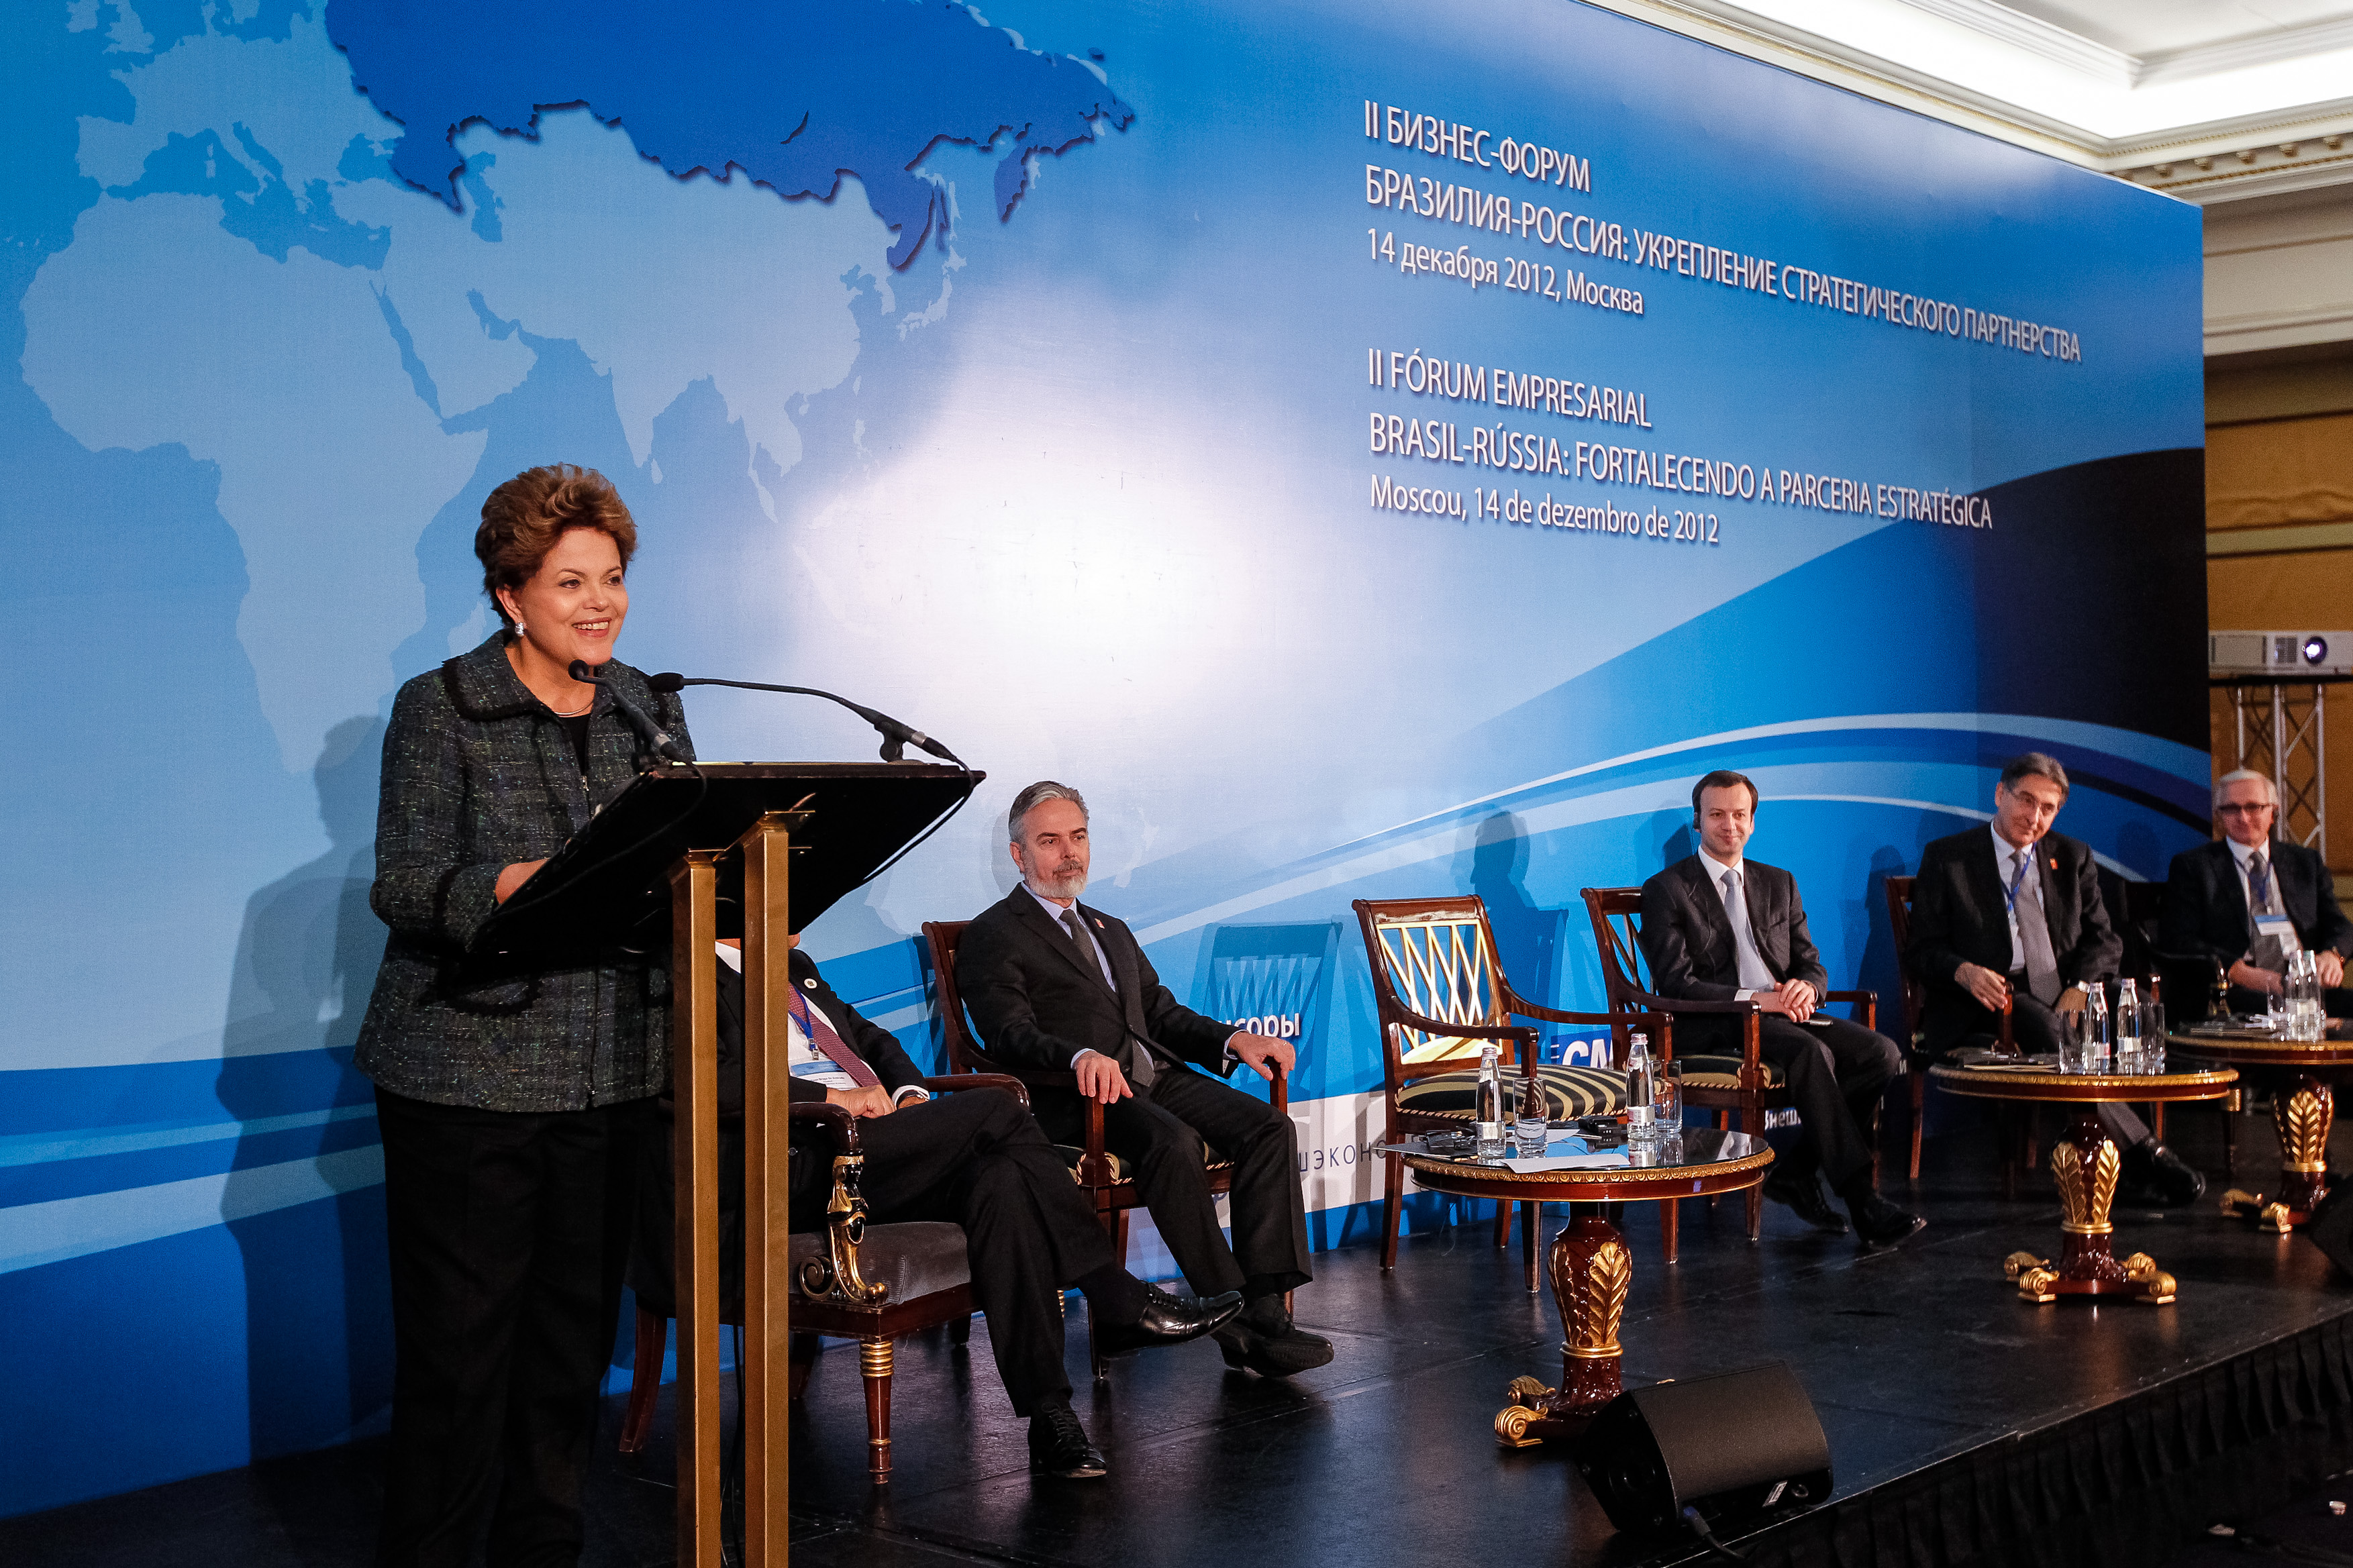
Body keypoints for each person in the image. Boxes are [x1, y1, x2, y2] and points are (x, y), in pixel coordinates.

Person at [355, 465, 691, 1567]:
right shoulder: (442, 706)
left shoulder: (649, 705)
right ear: (511, 594)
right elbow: (404, 883)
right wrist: (501, 883)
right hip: (465, 1082)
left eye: (613, 578)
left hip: (612, 1077)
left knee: (563, 1363)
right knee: (460, 1368)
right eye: (570, 582)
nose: (600, 602)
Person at [628, 933, 1241, 1481]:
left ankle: (1052, 1419)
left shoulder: (793, 963)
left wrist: (910, 1092)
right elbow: (696, 1075)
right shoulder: (677, 964)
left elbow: (869, 1038)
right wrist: (833, 1094)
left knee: (1002, 1179)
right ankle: (1115, 1295)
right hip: (791, 1158)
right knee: (1001, 1111)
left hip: (874, 1148)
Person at [955, 781, 1330, 1377]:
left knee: (1268, 1128)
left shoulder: (1110, 928)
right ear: (1019, 854)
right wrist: (1076, 1054)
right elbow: (1006, 1034)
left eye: (1077, 837)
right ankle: (1231, 1317)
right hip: (1079, 1096)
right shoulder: (993, 934)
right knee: (1172, 1143)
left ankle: (1266, 1310)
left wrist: (1232, 1039)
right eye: (1050, 841)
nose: (1069, 853)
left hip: (1153, 1076)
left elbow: (1158, 1011)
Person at [1638, 771, 1923, 1246]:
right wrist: (1753, 999)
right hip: (1716, 1023)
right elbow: (1675, 982)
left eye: (1739, 815)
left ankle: (1794, 1173)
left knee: (1883, 1053)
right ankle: (1861, 1199)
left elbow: (1811, 963)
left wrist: (1806, 989)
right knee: (1813, 1053)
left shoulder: (1779, 882)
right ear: (1697, 821)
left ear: (1752, 823)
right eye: (1716, 815)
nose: (1729, 825)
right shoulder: (1667, 888)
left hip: (1784, 1013)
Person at [1906, 752, 2203, 1204]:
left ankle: (2118, 1159)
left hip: (2066, 991)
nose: (2035, 816)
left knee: (2135, 1005)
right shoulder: (1950, 858)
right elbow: (1922, 950)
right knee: (2048, 1027)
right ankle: (2145, 1152)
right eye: (2026, 801)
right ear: (2000, 794)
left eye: (2048, 808)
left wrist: (2080, 988)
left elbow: (2106, 940)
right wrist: (1964, 971)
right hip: (1989, 1000)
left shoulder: (2073, 855)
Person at [2162, 769, 2353, 1018]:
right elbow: (2179, 939)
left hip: (2306, 984)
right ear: (2218, 817)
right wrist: (2239, 971)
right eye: (2231, 809)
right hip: (2240, 989)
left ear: (2272, 811)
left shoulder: (2305, 862)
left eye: (2253, 807)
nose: (2242, 817)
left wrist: (2332, 955)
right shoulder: (2194, 867)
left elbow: (2340, 925)